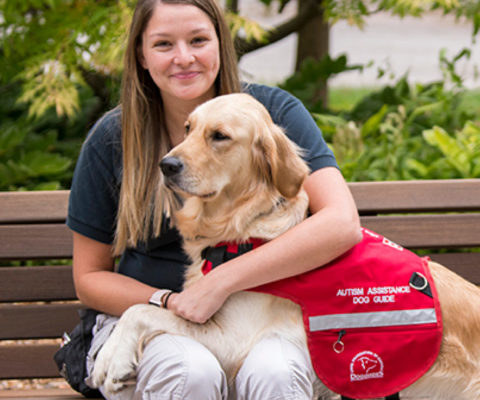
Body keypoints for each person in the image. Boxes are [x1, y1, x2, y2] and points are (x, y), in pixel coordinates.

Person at [67, 0, 362, 398]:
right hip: (156, 321)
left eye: (198, 40)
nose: (183, 58)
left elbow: (341, 223)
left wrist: (219, 283)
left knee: (275, 370)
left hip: (264, 316)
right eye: (163, 44)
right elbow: (88, 278)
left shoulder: (271, 114)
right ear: (141, 54)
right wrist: (168, 302)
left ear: (221, 45)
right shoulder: (114, 137)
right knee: (192, 370)